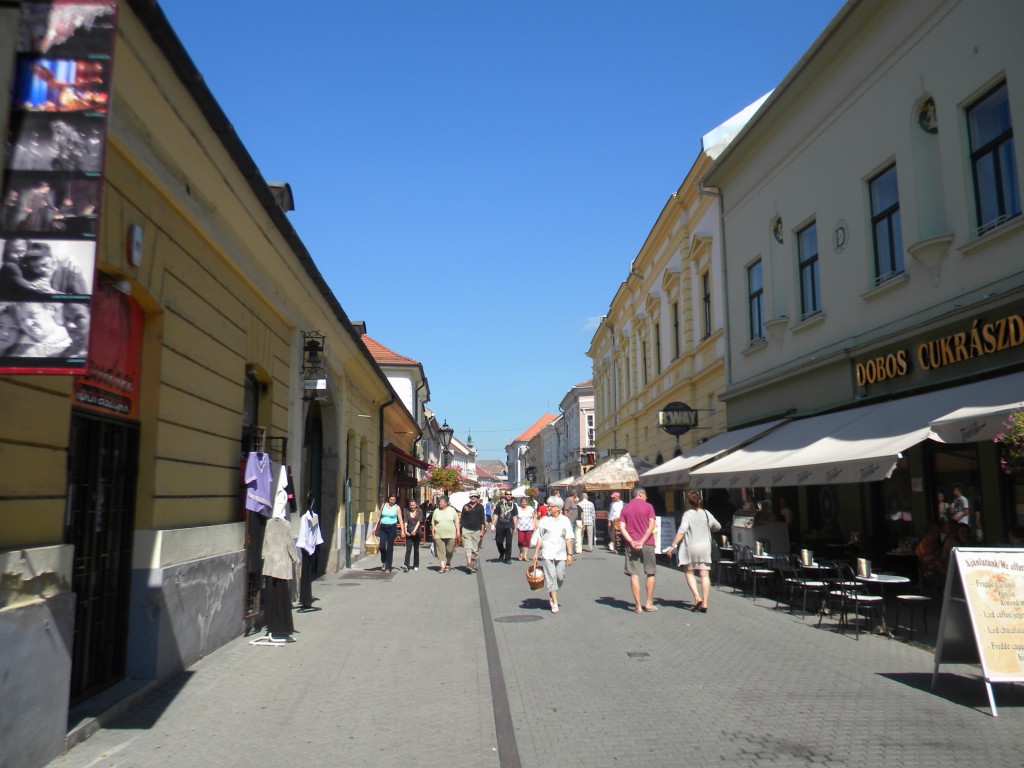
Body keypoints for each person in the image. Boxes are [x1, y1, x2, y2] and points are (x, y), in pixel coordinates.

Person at [664, 491, 721, 612]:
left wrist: (673, 545)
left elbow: (682, 530)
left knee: (689, 572)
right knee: (704, 575)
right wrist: (707, 529)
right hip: (705, 547)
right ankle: (705, 603)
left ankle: (697, 597)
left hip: (691, 547)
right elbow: (718, 526)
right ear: (700, 501)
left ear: (688, 502)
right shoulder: (706, 513)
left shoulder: (687, 514)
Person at [531, 496, 574, 613]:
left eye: (551, 506)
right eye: (548, 506)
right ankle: (554, 601)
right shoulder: (544, 520)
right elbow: (539, 537)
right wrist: (536, 552)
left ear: (558, 508)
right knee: (551, 576)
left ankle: (552, 591)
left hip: (561, 553)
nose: (548, 508)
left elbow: (569, 538)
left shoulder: (565, 520)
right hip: (547, 552)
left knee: (560, 577)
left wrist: (570, 554)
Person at [619, 487, 657, 613]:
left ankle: (638, 606)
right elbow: (652, 525)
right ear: (640, 494)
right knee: (650, 572)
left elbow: (622, 527)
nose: (646, 497)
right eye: (645, 495)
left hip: (632, 545)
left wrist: (631, 541)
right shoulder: (649, 507)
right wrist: (643, 540)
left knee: (634, 574)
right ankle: (649, 603)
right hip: (648, 543)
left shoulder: (625, 508)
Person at [296, 492, 323, 610]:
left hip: (310, 547)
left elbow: (316, 531)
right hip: (307, 548)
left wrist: (316, 543)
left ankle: (306, 597)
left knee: (307, 573)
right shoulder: (305, 517)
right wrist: (304, 546)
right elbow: (304, 533)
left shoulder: (314, 516)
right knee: (305, 573)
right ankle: (304, 597)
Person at [431, 496, 460, 573]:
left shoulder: (452, 510)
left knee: (449, 550)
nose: (439, 503)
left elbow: (457, 522)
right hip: (438, 534)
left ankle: (448, 563)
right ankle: (442, 567)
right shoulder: (436, 511)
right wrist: (433, 533)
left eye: (441, 502)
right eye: (439, 502)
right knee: (441, 551)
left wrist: (458, 531)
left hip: (451, 534)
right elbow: (433, 523)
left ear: (446, 503)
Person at [460, 491, 487, 573]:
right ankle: (469, 564)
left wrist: (482, 531)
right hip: (466, 529)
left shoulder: (480, 507)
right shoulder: (465, 506)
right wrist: (461, 529)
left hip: (476, 530)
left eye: (475, 496)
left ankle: (472, 563)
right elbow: (462, 518)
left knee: (475, 549)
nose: (473, 497)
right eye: (472, 496)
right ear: (470, 497)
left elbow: (482, 520)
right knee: (468, 547)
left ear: (477, 497)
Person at [374, 493, 401, 573]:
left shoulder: (397, 508)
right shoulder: (383, 505)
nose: (392, 501)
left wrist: (403, 530)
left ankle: (388, 566)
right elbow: (379, 516)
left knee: (390, 547)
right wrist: (375, 527)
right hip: (383, 527)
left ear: (395, 501)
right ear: (388, 499)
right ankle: (384, 560)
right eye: (390, 499)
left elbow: (400, 519)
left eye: (393, 500)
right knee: (382, 546)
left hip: (392, 527)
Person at [491, 491, 517, 563]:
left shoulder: (513, 505)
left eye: (510, 494)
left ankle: (508, 558)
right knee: (498, 541)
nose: (509, 495)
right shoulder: (500, 504)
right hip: (500, 525)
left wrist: (515, 527)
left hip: (509, 525)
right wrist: (493, 525)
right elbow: (496, 515)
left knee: (509, 542)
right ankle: (502, 552)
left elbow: (514, 517)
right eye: (507, 494)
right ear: (505, 495)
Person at [400, 498, 422, 572]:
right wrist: (405, 530)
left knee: (416, 549)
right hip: (409, 533)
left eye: (413, 505)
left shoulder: (419, 511)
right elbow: (405, 521)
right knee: (408, 549)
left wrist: (414, 531)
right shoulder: (407, 511)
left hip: (417, 532)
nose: (412, 506)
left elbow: (419, 522)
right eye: (411, 505)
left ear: (416, 505)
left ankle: (416, 565)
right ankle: (406, 565)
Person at [515, 496, 537, 561]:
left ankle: (525, 555)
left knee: (527, 541)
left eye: (525, 502)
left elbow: (534, 516)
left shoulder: (530, 508)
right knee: (520, 541)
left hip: (529, 527)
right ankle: (521, 552)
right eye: (523, 502)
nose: (524, 503)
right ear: (520, 502)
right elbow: (515, 518)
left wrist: (534, 525)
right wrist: (515, 526)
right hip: (520, 527)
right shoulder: (518, 509)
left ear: (527, 502)